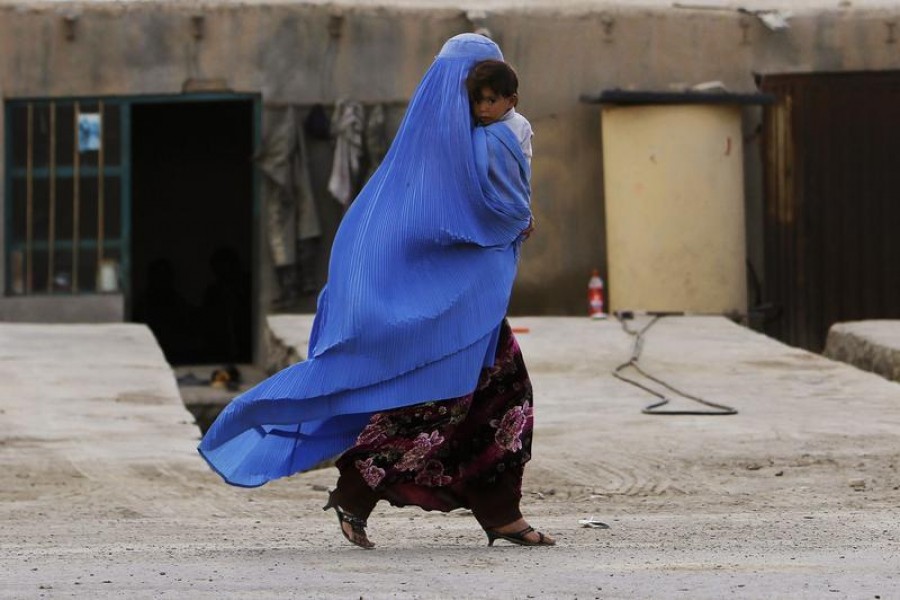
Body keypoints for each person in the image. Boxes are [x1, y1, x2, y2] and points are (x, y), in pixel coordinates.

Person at [198, 33, 554, 549]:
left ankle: (499, 511)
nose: (481, 102)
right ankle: (356, 492)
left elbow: (367, 243)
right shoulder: (479, 144)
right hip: (440, 318)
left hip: (465, 309)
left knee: (500, 399)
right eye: (474, 89)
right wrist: (517, 223)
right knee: (438, 407)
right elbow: (501, 217)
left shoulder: (412, 159)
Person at [467, 59, 535, 239]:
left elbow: (522, 173)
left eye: (491, 100)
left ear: (511, 100)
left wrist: (524, 209)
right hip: (482, 213)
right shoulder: (472, 128)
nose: (483, 109)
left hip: (512, 209)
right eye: (477, 101)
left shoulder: (520, 127)